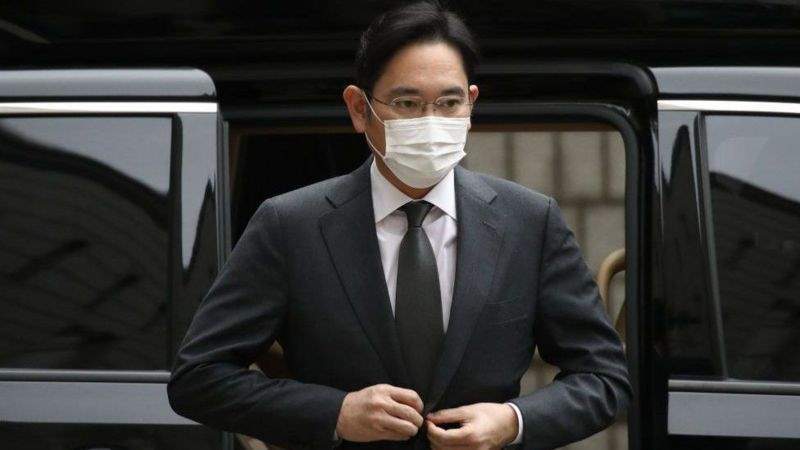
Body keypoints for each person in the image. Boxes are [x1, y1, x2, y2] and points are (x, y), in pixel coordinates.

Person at [167, 1, 632, 449]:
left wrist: (512, 421)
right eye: (407, 103)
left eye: (449, 103)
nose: (431, 122)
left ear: (471, 103)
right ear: (359, 109)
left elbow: (604, 378)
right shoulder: (291, 225)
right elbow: (198, 376)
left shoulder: (529, 221)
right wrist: (336, 413)